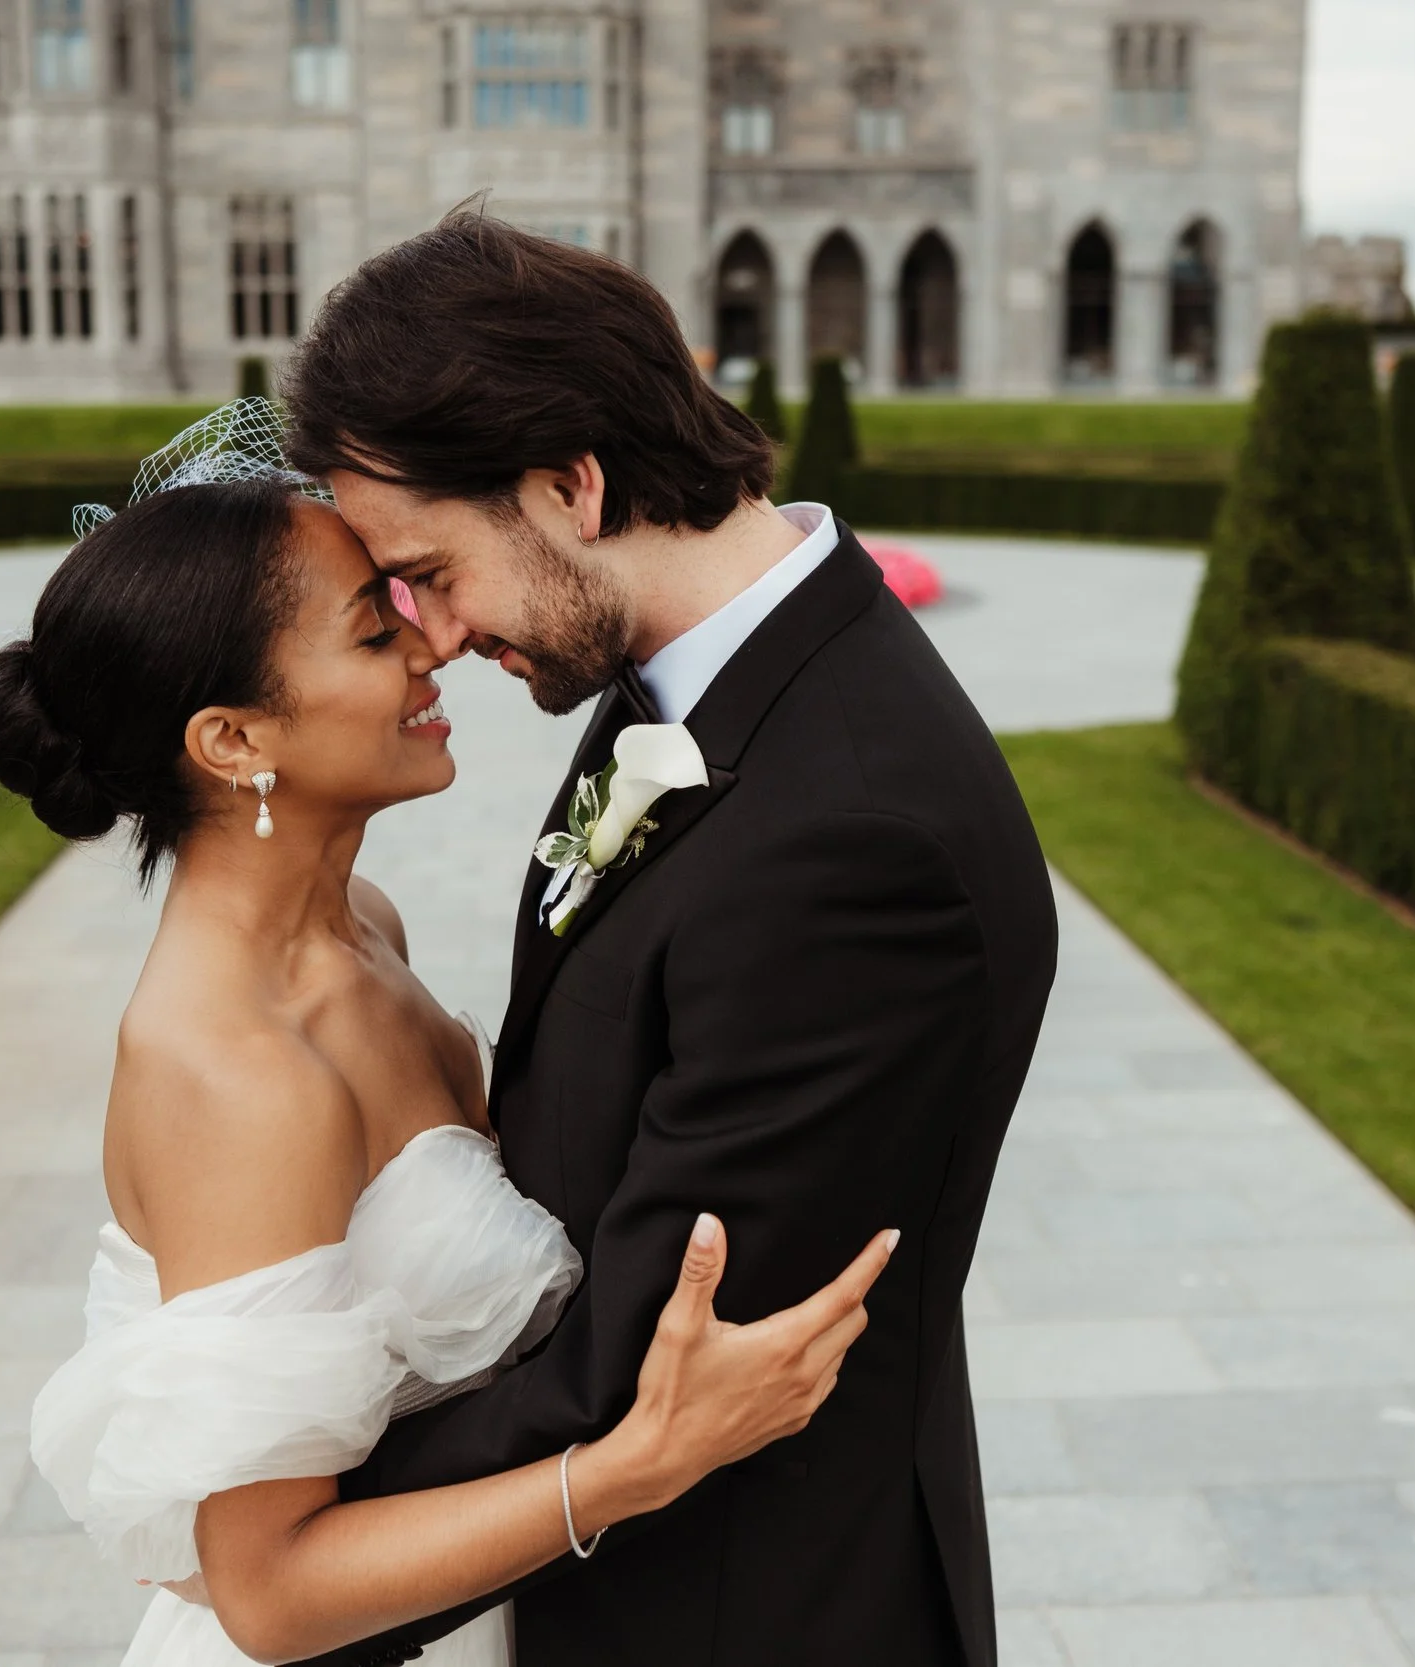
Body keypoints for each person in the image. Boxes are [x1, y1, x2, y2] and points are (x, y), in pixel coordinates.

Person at [276, 212, 1059, 1666]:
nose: (427, 636)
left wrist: (294, 1567)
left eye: (429, 570)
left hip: (760, 1611)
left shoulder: (856, 840)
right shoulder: (678, 686)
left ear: (572, 481)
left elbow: (648, 1363)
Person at [0, 462, 896, 1667]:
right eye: (375, 627)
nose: (432, 648)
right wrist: (639, 1462)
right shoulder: (240, 1073)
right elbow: (269, 1590)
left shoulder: (365, 919)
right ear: (234, 738)